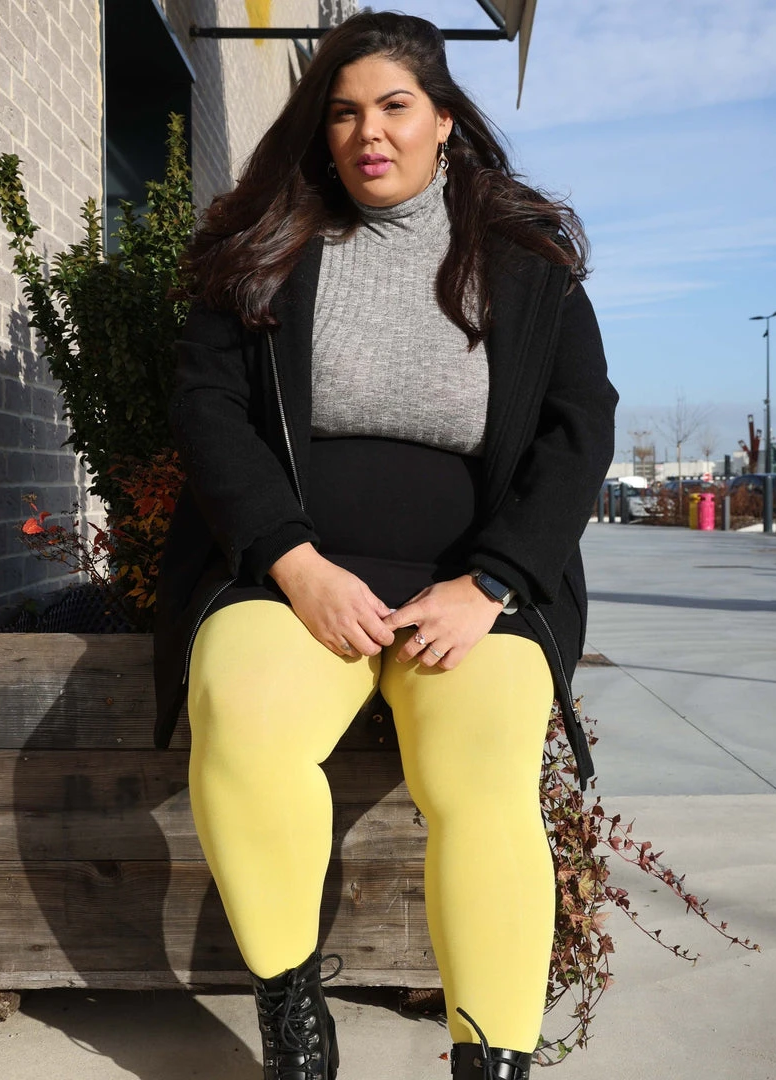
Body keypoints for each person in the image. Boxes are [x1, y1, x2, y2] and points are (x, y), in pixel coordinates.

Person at [152, 12, 616, 1080]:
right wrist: (294, 563)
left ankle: (491, 1061)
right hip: (296, 579)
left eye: (396, 106)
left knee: (483, 774)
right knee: (242, 722)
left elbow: (579, 429)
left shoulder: (528, 267)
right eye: (345, 111)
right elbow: (208, 410)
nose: (370, 132)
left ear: (443, 120)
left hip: (469, 591)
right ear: (322, 129)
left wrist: (493, 582)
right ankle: (292, 1010)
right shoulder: (267, 250)